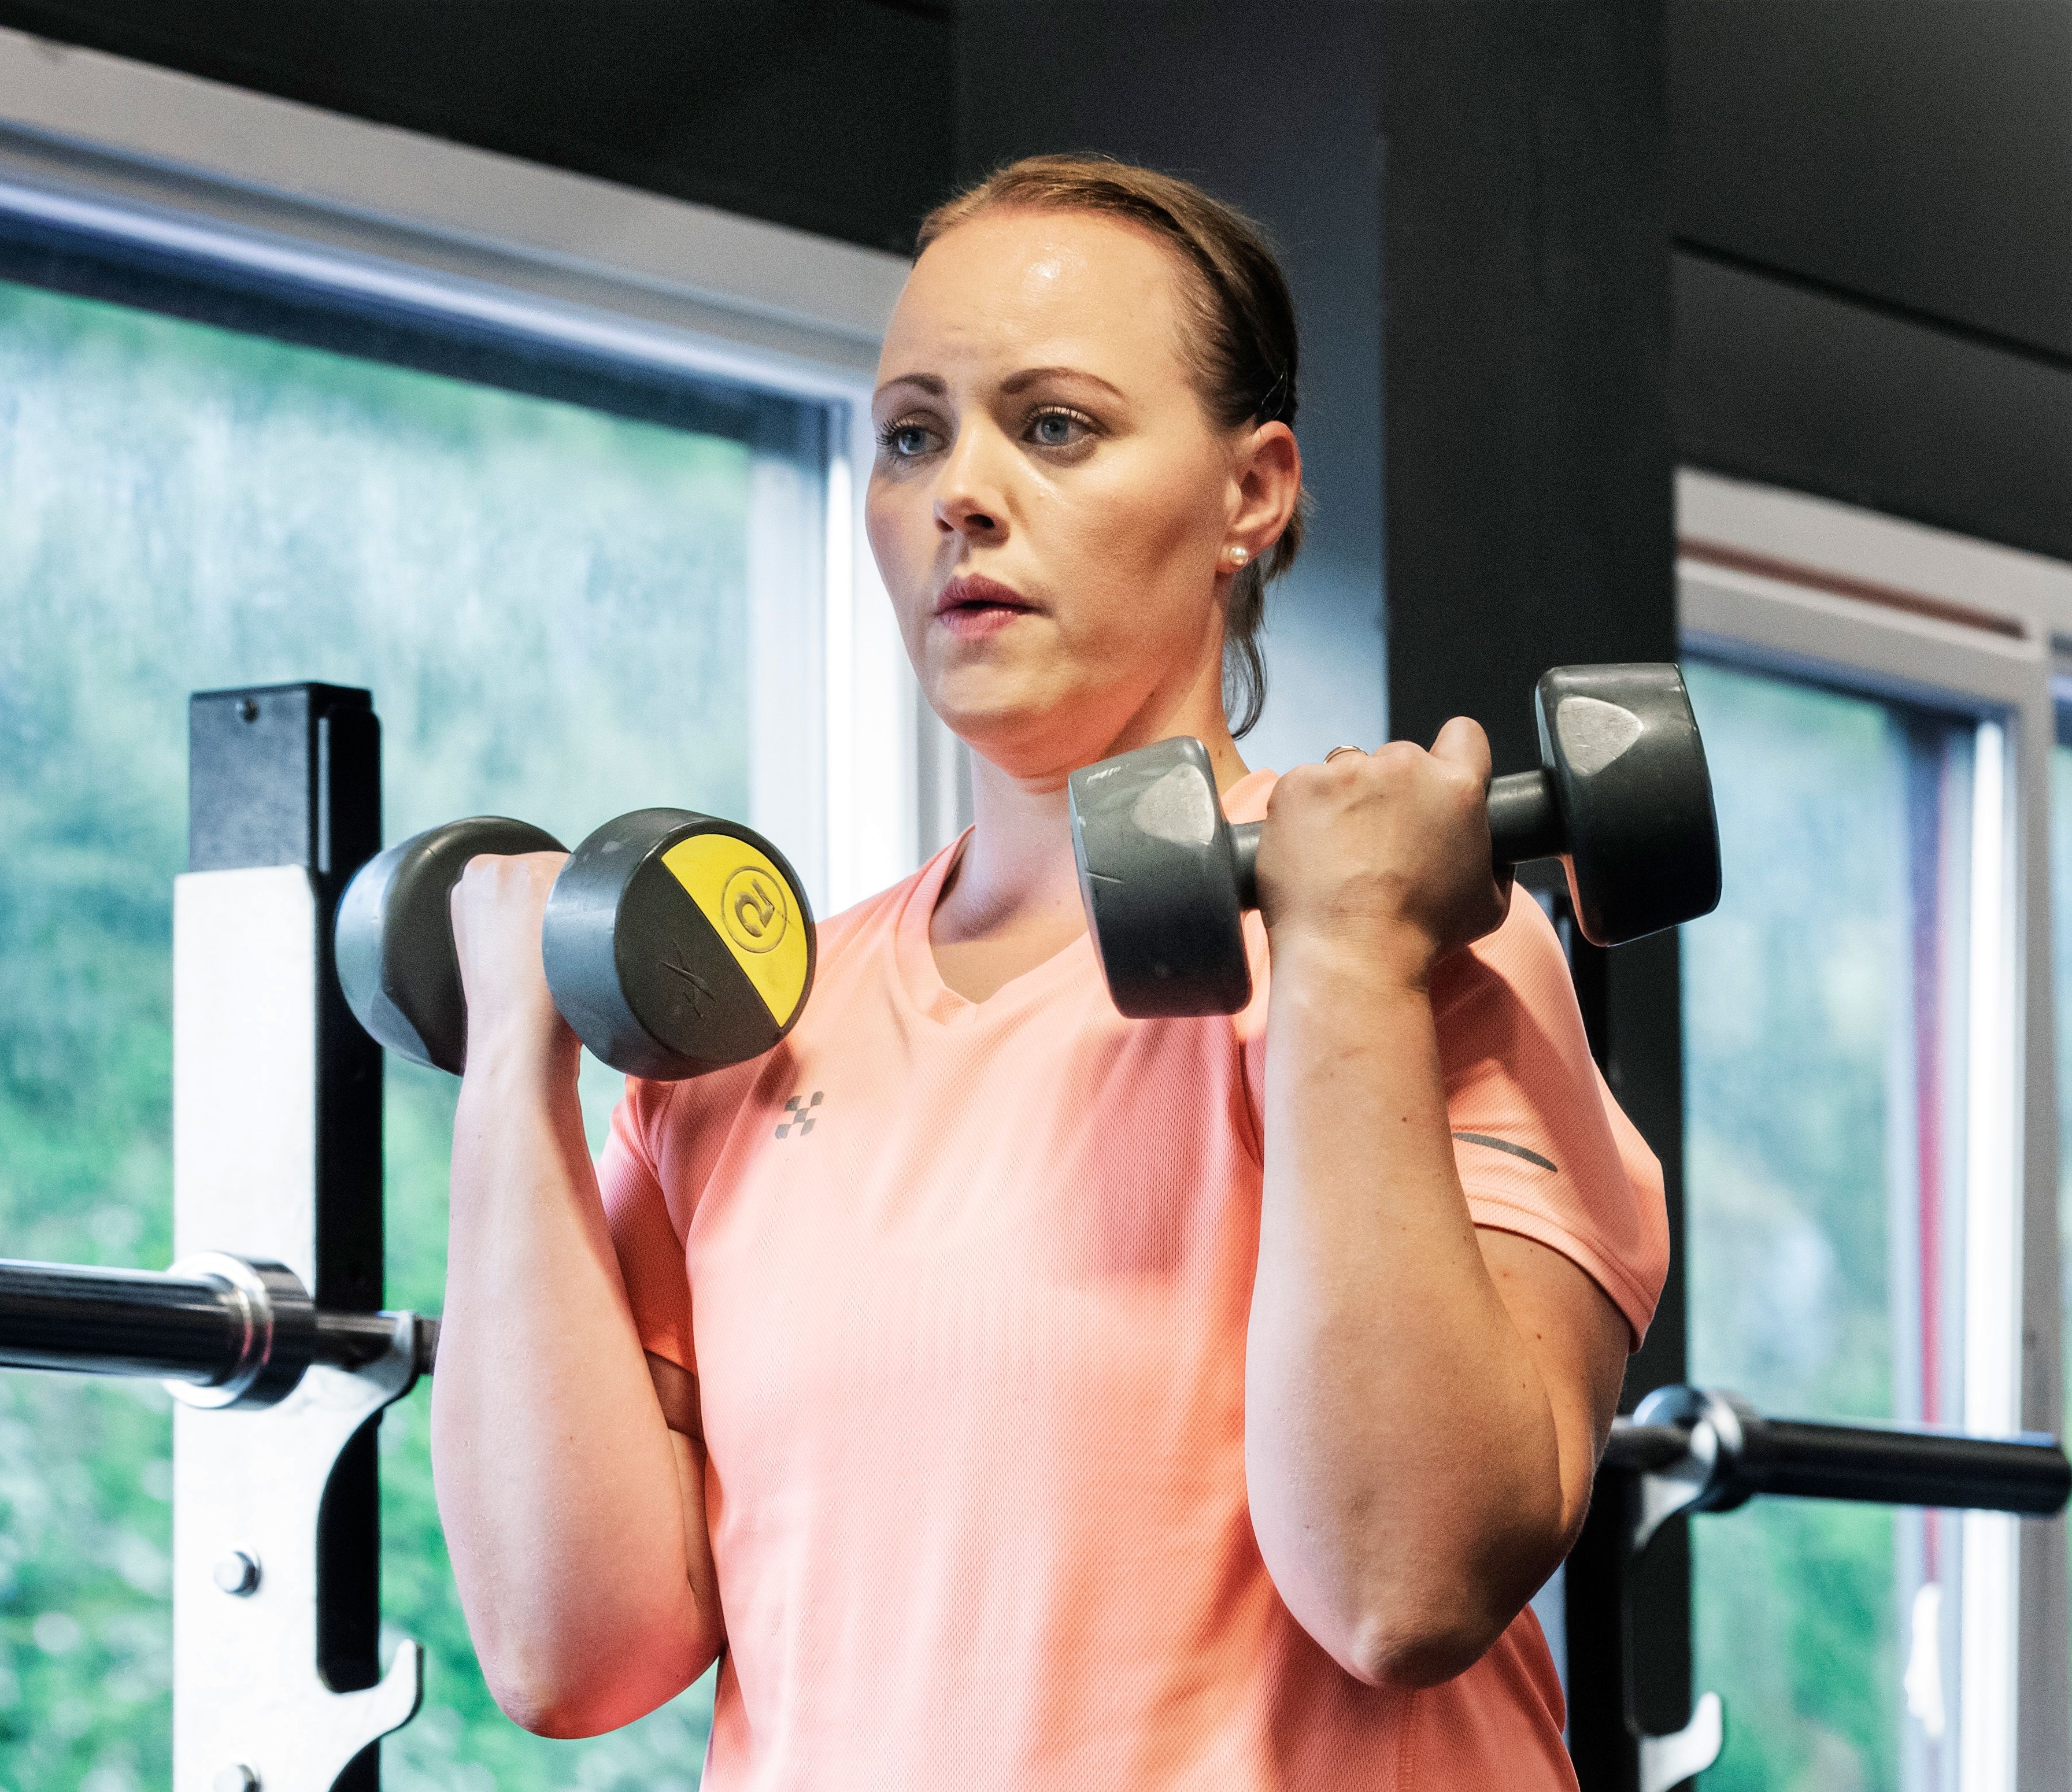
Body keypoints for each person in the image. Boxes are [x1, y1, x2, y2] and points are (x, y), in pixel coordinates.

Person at [430, 153, 1666, 1788]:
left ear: (1251, 494)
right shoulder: (755, 1028)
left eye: (1057, 425)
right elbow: (572, 1651)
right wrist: (514, 1065)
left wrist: (1352, 958)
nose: (960, 491)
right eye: (912, 434)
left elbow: (1402, 1582)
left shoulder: (1409, 936)